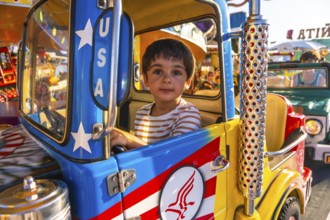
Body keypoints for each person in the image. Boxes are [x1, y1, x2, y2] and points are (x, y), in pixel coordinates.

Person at [110, 39, 201, 150]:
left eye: (176, 72)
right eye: (158, 71)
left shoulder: (189, 114)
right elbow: (140, 155)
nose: (167, 79)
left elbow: (173, 156)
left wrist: (129, 140)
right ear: (146, 79)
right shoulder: (142, 113)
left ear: (187, 82)